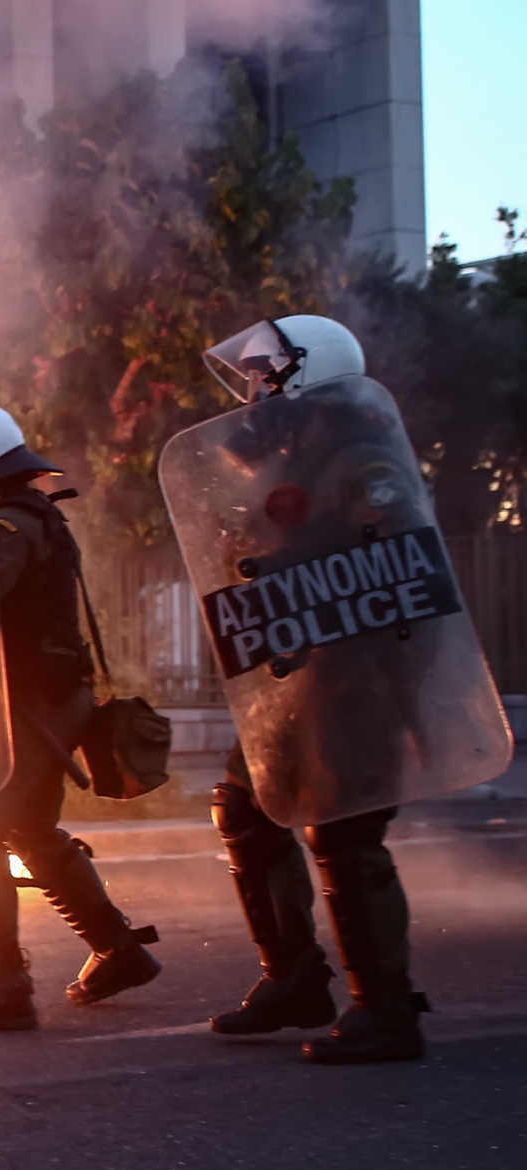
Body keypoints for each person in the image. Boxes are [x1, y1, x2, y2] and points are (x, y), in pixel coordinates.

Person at [188, 316, 434, 1063]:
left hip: (357, 675)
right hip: (294, 674)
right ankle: (293, 978)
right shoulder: (289, 460)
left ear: (306, 374)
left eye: (266, 372)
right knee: (246, 806)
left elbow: (394, 568)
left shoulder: (362, 459)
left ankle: (386, 1008)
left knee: (344, 830)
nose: (255, 387)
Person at [0, 400, 161, 1034]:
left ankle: (3, 985)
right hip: (39, 698)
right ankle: (120, 950)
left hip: (36, 701)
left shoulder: (11, 526)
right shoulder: (23, 515)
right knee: (26, 830)